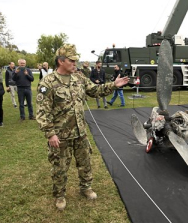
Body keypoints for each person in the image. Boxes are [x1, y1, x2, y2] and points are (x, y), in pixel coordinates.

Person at [36, 43, 129, 211]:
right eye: (72, 61)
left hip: (80, 132)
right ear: (61, 61)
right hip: (61, 135)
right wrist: (50, 134)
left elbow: (95, 90)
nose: (75, 64)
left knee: (85, 163)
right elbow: (42, 112)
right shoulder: (48, 83)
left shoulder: (78, 78)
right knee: (60, 167)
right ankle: (59, 195)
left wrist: (114, 85)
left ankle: (86, 187)